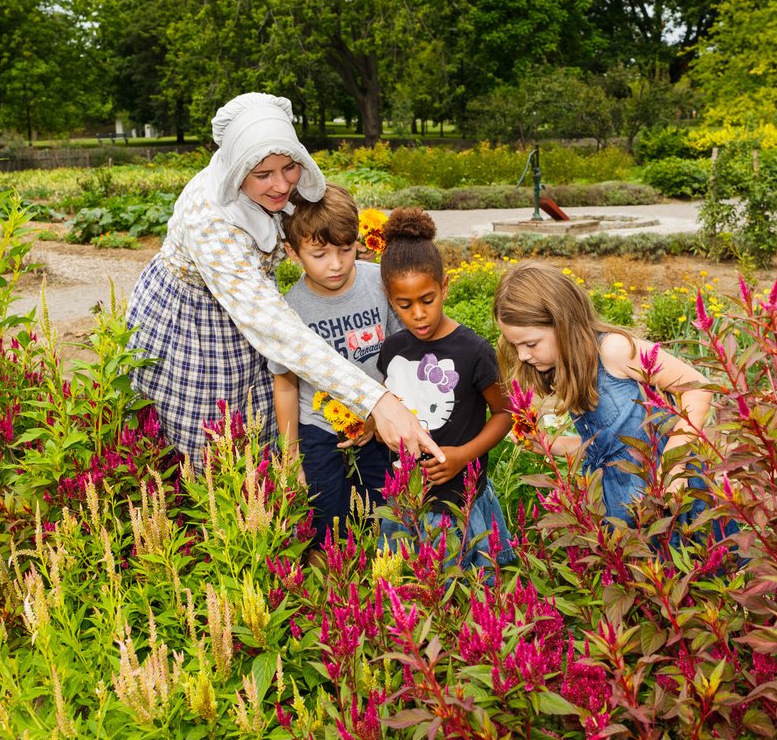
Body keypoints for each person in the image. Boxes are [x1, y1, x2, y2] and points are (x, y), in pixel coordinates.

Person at [125, 93, 441, 469]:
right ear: (238, 170)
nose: (280, 186)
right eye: (263, 176)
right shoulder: (210, 220)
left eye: (289, 168)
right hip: (195, 321)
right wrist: (374, 400)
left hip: (255, 304)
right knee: (216, 447)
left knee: (261, 426)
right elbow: (277, 331)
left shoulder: (270, 167)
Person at [493, 261, 717, 532]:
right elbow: (602, 450)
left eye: (530, 344)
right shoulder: (576, 370)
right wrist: (544, 444)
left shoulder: (614, 350)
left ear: (563, 324)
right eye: (515, 346)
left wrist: (674, 462)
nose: (523, 356)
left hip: (670, 499)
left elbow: (697, 387)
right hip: (622, 510)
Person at [375, 208, 514, 570]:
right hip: (406, 499)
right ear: (391, 300)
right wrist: (370, 427)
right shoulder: (391, 351)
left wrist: (464, 455)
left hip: (457, 499)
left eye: (428, 300)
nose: (418, 314)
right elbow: (389, 409)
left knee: (463, 590)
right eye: (404, 305)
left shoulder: (474, 351)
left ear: (445, 286)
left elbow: (504, 413)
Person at [269, 184, 399, 550]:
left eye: (346, 248)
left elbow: (397, 357)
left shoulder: (377, 282)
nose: (337, 263)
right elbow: (285, 384)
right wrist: (291, 455)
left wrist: (377, 418)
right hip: (320, 432)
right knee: (325, 520)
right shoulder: (289, 309)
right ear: (293, 252)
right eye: (320, 253)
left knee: (380, 513)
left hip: (376, 427)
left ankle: (374, 586)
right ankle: (330, 587)